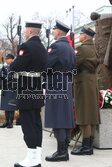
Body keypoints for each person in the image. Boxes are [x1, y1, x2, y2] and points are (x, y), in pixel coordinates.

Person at [10, 21, 47, 167]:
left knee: (28, 124)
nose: (25, 32)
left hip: (26, 89)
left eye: (26, 30)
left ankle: (31, 158)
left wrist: (14, 63)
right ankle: (36, 157)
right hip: (37, 88)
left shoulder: (26, 46)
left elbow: (15, 66)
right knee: (36, 123)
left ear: (31, 31)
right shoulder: (43, 48)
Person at [44, 20, 76, 162]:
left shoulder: (56, 46)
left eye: (54, 29)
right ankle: (64, 150)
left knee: (58, 116)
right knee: (65, 116)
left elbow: (46, 64)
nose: (53, 32)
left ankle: (61, 152)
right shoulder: (69, 47)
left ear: (59, 32)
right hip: (67, 82)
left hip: (56, 82)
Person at [71, 25, 101, 155]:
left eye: (81, 34)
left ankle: (86, 147)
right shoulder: (94, 48)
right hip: (92, 82)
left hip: (82, 83)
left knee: (83, 115)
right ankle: (89, 145)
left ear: (86, 36)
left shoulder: (81, 49)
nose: (79, 36)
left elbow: (72, 64)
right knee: (92, 115)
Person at [0, 54, 17, 129]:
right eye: (6, 58)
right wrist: (0, 84)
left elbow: (14, 77)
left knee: (11, 106)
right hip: (5, 88)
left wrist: (6, 78)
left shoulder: (15, 68)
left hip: (12, 88)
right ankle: (6, 121)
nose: (6, 60)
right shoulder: (4, 68)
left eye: (8, 58)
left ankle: (11, 122)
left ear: (12, 59)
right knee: (6, 106)